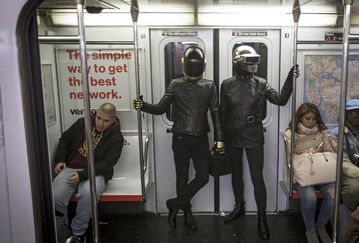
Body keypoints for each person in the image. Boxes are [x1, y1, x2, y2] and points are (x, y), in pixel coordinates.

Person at [133, 45, 224, 231]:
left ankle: (175, 203)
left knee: (203, 176)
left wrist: (219, 138)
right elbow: (160, 109)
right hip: (181, 137)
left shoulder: (209, 85)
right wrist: (143, 106)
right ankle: (186, 213)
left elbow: (216, 114)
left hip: (200, 138)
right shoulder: (176, 84)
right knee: (181, 178)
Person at [220, 44, 299, 240]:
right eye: (250, 61)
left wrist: (290, 79)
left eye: (256, 61)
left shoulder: (261, 83)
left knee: (257, 178)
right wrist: (219, 138)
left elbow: (280, 99)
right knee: (236, 175)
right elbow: (221, 114)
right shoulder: (226, 84)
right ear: (238, 63)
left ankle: (262, 218)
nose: (254, 65)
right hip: (232, 135)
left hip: (253, 135)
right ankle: (239, 206)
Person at [53, 103, 124, 242]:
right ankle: (64, 230)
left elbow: (107, 163)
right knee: (55, 196)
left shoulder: (116, 137)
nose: (101, 123)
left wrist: (82, 176)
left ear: (113, 120)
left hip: (96, 173)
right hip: (72, 168)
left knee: (88, 194)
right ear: (96, 114)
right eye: (99, 118)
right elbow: (65, 140)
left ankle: (78, 232)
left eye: (106, 121)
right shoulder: (82, 123)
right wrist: (60, 160)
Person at [284, 103, 334, 243]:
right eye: (308, 119)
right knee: (310, 197)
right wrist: (306, 154)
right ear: (300, 119)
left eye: (314, 119)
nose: (311, 122)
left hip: (322, 174)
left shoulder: (322, 132)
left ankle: (321, 226)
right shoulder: (291, 134)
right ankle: (310, 229)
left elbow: (329, 151)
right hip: (302, 175)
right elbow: (289, 159)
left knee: (333, 195)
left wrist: (320, 153)